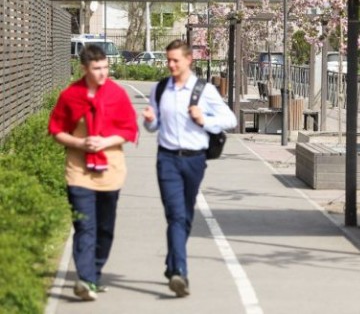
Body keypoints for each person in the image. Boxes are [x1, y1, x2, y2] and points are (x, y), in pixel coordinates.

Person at [142, 39, 236, 298]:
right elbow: (154, 126)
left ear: (188, 60)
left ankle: (171, 263)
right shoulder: (161, 89)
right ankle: (179, 273)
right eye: (168, 60)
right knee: (175, 214)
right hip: (167, 159)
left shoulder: (203, 90)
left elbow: (231, 119)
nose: (170, 65)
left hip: (195, 160)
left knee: (185, 215)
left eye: (175, 60)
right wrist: (150, 121)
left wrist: (204, 119)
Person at [48, 44, 138, 302]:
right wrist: (80, 143)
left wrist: (104, 141)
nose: (102, 73)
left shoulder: (116, 94)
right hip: (79, 170)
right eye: (96, 68)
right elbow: (56, 130)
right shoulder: (70, 96)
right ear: (84, 68)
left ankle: (95, 272)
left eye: (105, 67)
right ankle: (85, 279)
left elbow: (129, 129)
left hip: (110, 168)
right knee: (85, 225)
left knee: (105, 227)